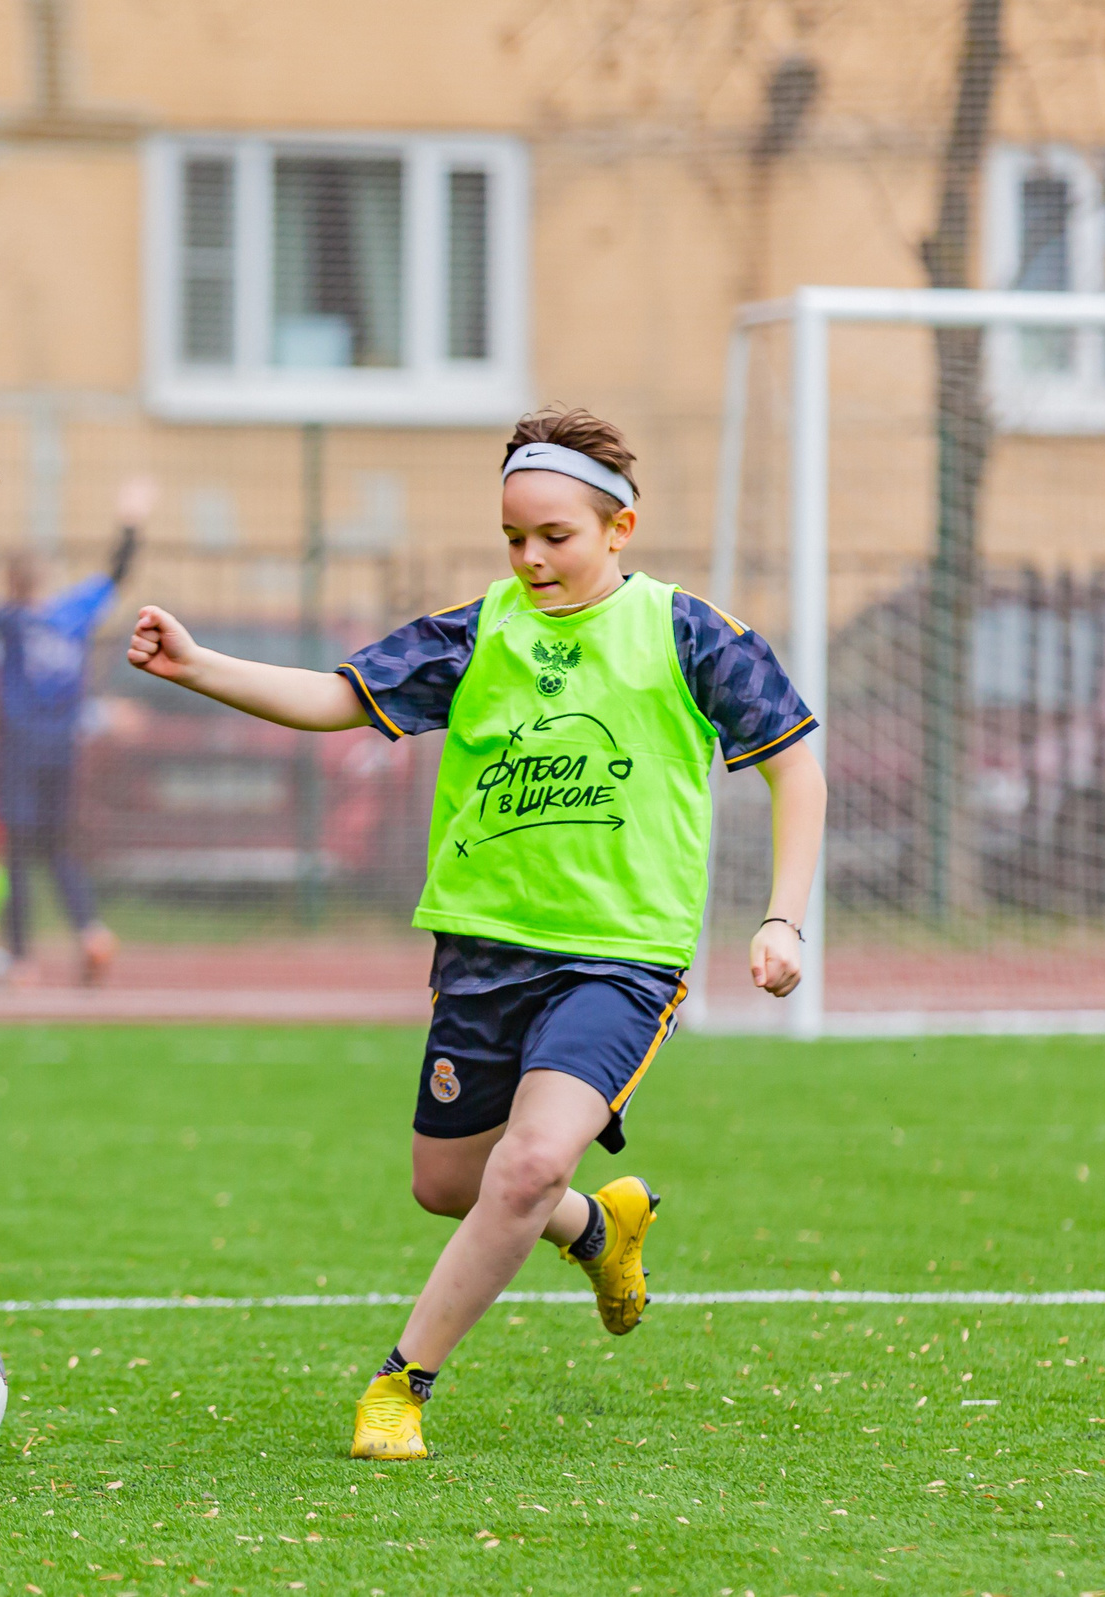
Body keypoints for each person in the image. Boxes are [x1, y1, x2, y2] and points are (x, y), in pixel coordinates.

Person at [125, 407, 827, 1461]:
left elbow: (795, 765)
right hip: (483, 948)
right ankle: (597, 1228)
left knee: (528, 1159)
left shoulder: (688, 633)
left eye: (557, 536)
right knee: (448, 1186)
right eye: (514, 538)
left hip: (620, 957)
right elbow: (335, 698)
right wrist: (197, 666)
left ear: (619, 528)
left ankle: (399, 1384)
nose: (533, 557)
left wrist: (782, 918)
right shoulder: (476, 631)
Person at [0, 478, 149, 981]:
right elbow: (116, 575)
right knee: (59, 846)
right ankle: (91, 931)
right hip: (64, 749)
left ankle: (21, 960)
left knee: (16, 852)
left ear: (12, 582)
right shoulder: (73, 613)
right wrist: (130, 522)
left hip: (20, 750)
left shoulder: (13, 621)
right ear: (46, 578)